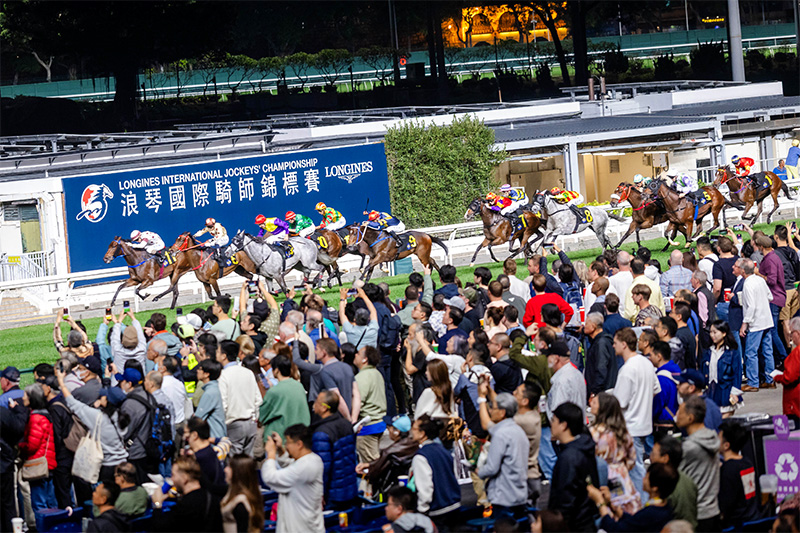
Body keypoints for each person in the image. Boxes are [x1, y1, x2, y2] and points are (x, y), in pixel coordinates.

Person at [56, 366, 128, 480]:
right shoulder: (123, 417)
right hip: (124, 465)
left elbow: (73, 403)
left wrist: (61, 381)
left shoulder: (98, 418)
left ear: (107, 402)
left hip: (106, 467)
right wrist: (107, 377)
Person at [613, 327, 661, 496]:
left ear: (624, 344)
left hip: (631, 425)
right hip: (645, 423)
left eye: (616, 343)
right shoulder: (646, 363)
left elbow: (619, 402)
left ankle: (645, 501)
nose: (613, 346)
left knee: (635, 469)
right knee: (640, 465)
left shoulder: (626, 370)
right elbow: (656, 389)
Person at [261, 424, 325, 533]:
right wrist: (280, 450)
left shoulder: (306, 466)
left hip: (302, 528)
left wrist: (271, 454)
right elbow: (292, 465)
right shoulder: (312, 460)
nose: (286, 446)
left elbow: (270, 477)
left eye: (288, 443)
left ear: (299, 444)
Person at [477, 392, 529, 520]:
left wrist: (479, 471)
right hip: (520, 493)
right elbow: (488, 426)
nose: (490, 411)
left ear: (502, 412)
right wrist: (484, 393)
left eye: (493, 408)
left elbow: (492, 467)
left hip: (504, 495)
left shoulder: (501, 434)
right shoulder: (518, 430)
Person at [548, 402, 600, 532]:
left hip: (574, 524)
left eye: (554, 420)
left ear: (563, 425)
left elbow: (565, 497)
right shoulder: (584, 446)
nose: (551, 424)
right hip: (586, 519)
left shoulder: (569, 458)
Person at [589, 393, 642, 515]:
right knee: (622, 506)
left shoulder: (594, 433)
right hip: (621, 474)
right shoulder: (623, 431)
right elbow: (631, 458)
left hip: (602, 474)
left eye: (595, 402)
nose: (591, 403)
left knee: (607, 507)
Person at [675, 396, 721, 532]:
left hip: (695, 514)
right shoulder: (712, 437)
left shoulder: (689, 447)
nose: (676, 416)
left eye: (680, 412)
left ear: (690, 418)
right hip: (713, 510)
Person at [590, 463, 678, 533]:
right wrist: (614, 508)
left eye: (646, 478)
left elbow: (616, 529)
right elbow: (635, 523)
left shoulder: (650, 513)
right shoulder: (664, 507)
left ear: (655, 487)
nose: (643, 479)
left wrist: (600, 503)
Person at [309, 390, 358, 508]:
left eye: (317, 402)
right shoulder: (346, 424)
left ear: (325, 408)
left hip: (333, 494)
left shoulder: (321, 433)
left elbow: (323, 468)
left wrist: (320, 494)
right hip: (350, 488)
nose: (314, 404)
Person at [151, 455, 224, 532]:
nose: (172, 479)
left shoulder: (186, 505)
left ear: (184, 478)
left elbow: (160, 528)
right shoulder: (211, 497)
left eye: (173, 475)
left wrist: (157, 504)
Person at [409, 416, 461, 522]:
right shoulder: (443, 450)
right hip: (454, 505)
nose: (411, 432)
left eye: (414, 429)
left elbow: (425, 489)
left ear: (422, 433)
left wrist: (422, 510)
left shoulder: (421, 457)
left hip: (437, 510)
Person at [17, 384, 58, 513]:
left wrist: (19, 446)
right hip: (48, 463)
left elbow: (32, 445)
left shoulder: (35, 418)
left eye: (25, 395)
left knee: (40, 505)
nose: (22, 398)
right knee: (51, 502)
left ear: (31, 398)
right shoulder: (45, 414)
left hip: (38, 466)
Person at [218, 340, 261, 456]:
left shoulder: (223, 376)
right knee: (247, 463)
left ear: (224, 356)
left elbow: (223, 404)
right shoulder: (248, 372)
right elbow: (258, 400)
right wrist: (254, 419)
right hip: (250, 423)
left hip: (234, 424)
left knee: (234, 465)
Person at [740, 257, 775, 391]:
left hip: (756, 323)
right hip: (767, 319)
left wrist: (745, 324)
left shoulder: (748, 284)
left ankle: (753, 382)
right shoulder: (760, 280)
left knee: (751, 353)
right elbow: (770, 297)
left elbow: (751, 307)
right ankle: (770, 379)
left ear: (743, 271)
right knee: (767, 351)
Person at [651, 435, 698, 529]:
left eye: (653, 454)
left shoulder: (668, 484)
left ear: (665, 458)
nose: (650, 458)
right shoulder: (686, 479)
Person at [718, 421, 760, 528]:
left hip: (736, 524)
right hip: (751, 519)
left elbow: (726, 504)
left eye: (718, 438)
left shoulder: (728, 470)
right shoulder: (747, 462)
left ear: (726, 445)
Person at [756, 234, 789, 369]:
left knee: (772, 330)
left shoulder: (770, 260)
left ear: (762, 247)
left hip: (774, 298)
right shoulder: (774, 256)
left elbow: (771, 280)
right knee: (773, 330)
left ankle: (785, 359)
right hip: (778, 297)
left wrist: (757, 273)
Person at [259, 355, 310, 440]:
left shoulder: (275, 391)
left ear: (277, 370)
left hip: (279, 436)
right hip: (299, 434)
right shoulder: (299, 386)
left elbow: (262, 414)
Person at [353, 346, 387, 462]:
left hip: (367, 425)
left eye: (358, 353)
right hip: (379, 421)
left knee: (372, 464)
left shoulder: (361, 377)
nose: (355, 355)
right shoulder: (377, 373)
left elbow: (358, 402)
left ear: (365, 359)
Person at [183, 417, 227, 497]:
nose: (184, 438)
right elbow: (226, 441)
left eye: (186, 434)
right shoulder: (215, 451)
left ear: (195, 435)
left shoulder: (199, 459)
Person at [221, 454, 265, 533]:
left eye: (229, 467)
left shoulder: (241, 503)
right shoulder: (234, 492)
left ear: (238, 472)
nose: (225, 470)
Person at [705, 320, 740, 417]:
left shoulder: (732, 352)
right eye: (711, 332)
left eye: (715, 332)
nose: (712, 335)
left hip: (725, 390)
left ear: (724, 333)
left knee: (724, 417)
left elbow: (737, 373)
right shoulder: (709, 351)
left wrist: (735, 392)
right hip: (711, 390)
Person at [584, 312, 618, 396]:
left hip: (601, 394)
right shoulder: (599, 341)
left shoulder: (601, 343)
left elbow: (601, 369)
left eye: (586, 323)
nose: (584, 325)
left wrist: (594, 392)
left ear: (593, 326)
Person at [648, 340, 680, 429]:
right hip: (674, 418)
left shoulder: (662, 379)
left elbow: (658, 402)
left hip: (663, 421)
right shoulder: (676, 370)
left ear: (659, 357)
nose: (649, 358)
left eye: (651, 355)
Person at [623, 258, 665, 322]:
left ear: (630, 270)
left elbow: (629, 313)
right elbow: (661, 308)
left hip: (639, 325)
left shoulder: (632, 289)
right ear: (645, 268)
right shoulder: (655, 285)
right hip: (656, 323)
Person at [194, 359, 227, 439]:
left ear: (206, 374)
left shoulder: (210, 392)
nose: (197, 371)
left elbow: (198, 417)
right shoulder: (213, 389)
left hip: (214, 437)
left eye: (200, 369)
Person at [775, 317, 800, 416]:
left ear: (797, 333)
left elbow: (789, 377)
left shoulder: (797, 352)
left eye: (791, 333)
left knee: (792, 429)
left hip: (795, 401)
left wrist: (777, 377)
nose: (790, 337)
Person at [110, 310, 147, 376]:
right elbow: (140, 334)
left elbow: (115, 337)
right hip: (140, 382)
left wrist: (118, 321)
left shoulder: (117, 349)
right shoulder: (142, 348)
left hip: (120, 383)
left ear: (122, 341)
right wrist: (133, 317)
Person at [671, 302, 697, 371]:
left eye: (672, 313)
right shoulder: (686, 332)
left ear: (679, 316)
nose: (670, 315)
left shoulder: (680, 335)